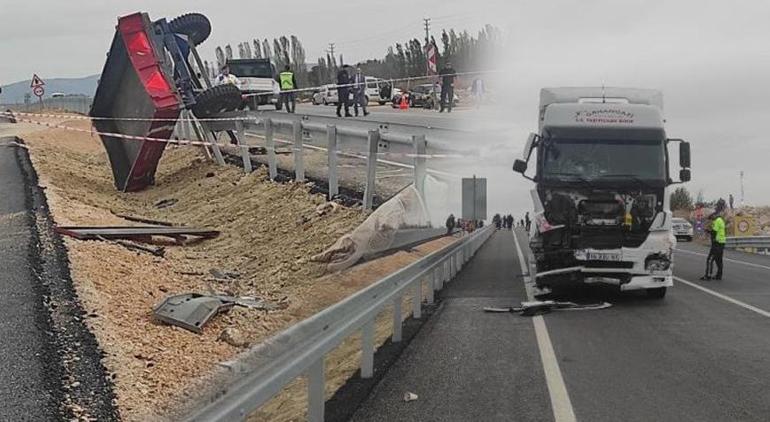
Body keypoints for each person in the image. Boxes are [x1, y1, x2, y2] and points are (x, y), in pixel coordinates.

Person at [711, 211, 727, 280]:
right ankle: (719, 275)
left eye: (713, 216)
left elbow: (714, 231)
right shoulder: (721, 220)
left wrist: (713, 239)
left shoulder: (717, 221)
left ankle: (718, 275)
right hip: (722, 241)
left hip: (718, 242)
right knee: (719, 259)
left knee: (717, 259)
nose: (713, 218)